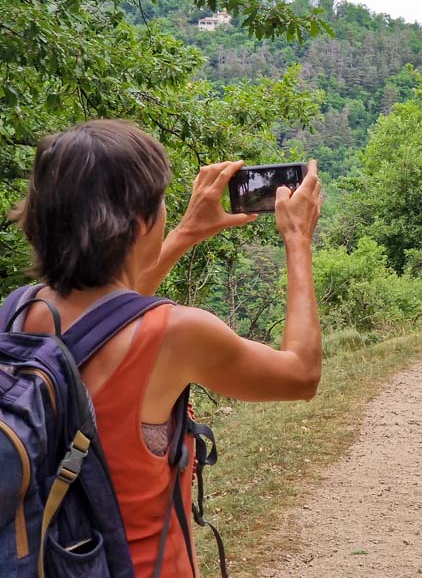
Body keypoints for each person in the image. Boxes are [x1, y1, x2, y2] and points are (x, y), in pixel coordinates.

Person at [7, 119, 323, 575]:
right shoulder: (176, 333)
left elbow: (110, 316)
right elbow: (300, 375)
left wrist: (186, 233)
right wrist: (297, 241)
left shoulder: (18, 313)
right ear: (139, 223)